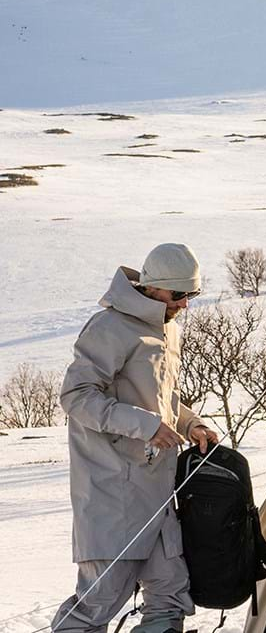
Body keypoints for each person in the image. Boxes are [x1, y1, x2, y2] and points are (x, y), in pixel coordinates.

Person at [52, 243, 221, 633]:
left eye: (191, 295)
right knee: (97, 603)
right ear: (154, 287)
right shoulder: (110, 327)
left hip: (158, 493)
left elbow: (165, 402)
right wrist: (144, 426)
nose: (184, 305)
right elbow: (76, 397)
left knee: (171, 597)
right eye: (179, 295)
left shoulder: (168, 329)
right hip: (113, 493)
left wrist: (191, 424)